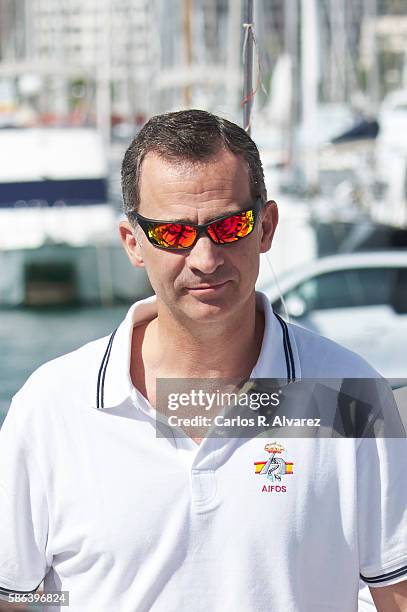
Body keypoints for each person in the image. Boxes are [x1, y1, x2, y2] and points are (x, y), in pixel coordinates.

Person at [0, 109, 406, 612]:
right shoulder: (51, 408)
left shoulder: (352, 397)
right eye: (173, 235)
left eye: (231, 225)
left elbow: (397, 596)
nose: (206, 258)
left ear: (267, 227)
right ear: (133, 243)